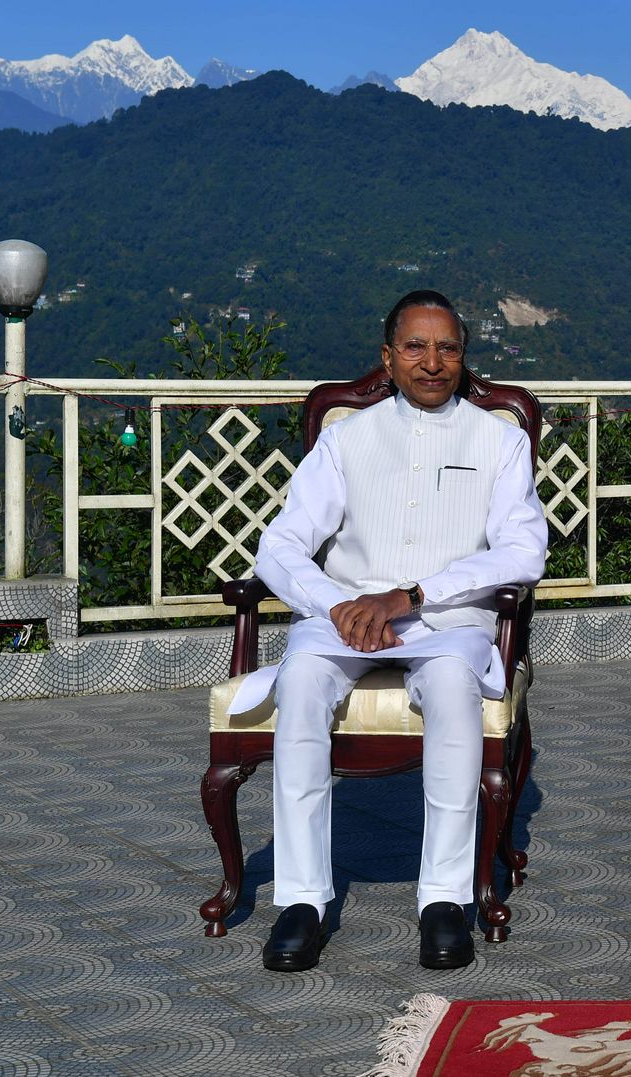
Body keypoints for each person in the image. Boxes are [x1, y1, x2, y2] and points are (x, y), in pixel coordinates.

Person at [230, 290, 548, 972]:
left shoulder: (500, 440)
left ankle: (444, 898)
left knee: (453, 689)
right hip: (345, 620)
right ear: (388, 355)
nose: (432, 362)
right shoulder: (347, 438)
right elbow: (279, 545)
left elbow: (524, 552)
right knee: (302, 681)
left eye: (448, 348)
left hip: (445, 620)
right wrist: (334, 604)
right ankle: (302, 899)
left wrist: (415, 594)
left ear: (464, 357)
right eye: (415, 347)